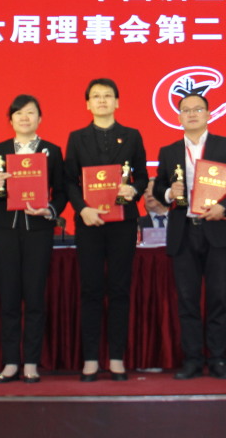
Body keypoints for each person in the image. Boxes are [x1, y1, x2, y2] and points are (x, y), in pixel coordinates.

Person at [153, 93, 226, 380]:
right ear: (179, 117)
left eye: (198, 109)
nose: (192, 114)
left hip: (218, 228)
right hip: (184, 231)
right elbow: (158, 188)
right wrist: (170, 193)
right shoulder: (169, 151)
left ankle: (218, 359)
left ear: (208, 114)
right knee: (187, 299)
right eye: (186, 110)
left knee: (219, 297)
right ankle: (192, 360)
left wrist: (225, 206)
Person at [64, 78, 148, 381]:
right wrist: (82, 209)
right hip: (89, 222)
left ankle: (116, 358)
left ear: (117, 102)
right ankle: (90, 359)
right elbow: (69, 181)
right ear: (88, 104)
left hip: (123, 221)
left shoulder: (132, 135)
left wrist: (134, 190)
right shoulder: (77, 137)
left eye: (108, 96)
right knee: (90, 290)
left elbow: (142, 176)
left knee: (119, 289)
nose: (102, 100)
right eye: (96, 96)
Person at [0, 94, 67, 385]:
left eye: (30, 113)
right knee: (8, 297)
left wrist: (50, 210)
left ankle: (30, 362)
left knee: (34, 297)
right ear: (11, 120)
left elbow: (62, 192)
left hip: (38, 230)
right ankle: (9, 362)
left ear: (39, 118)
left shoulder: (52, 151)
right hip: (5, 228)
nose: (24, 118)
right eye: (18, 113)